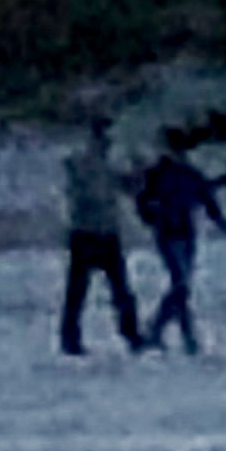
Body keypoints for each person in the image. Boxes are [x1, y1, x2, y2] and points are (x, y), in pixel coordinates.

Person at [131, 140, 226, 354]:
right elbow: (142, 201)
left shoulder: (188, 174)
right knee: (181, 283)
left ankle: (177, 335)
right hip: (168, 235)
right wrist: (151, 218)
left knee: (181, 286)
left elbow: (207, 198)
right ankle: (165, 331)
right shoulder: (158, 174)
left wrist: (221, 222)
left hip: (186, 235)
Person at [56, 115, 144, 355]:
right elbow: (83, 188)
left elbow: (130, 189)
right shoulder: (83, 164)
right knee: (80, 291)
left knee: (119, 290)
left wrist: (138, 172)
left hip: (105, 233)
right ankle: (71, 339)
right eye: (104, 138)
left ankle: (130, 334)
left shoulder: (106, 166)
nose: (107, 143)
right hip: (87, 233)